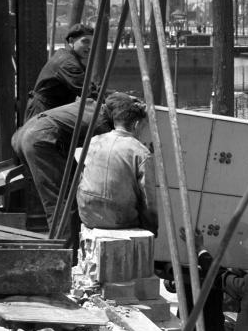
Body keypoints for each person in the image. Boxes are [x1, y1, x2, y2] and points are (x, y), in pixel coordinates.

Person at [11, 99, 113, 249]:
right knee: (62, 202)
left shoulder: (91, 106)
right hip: (41, 139)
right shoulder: (101, 123)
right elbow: (104, 165)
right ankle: (64, 257)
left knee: (72, 191)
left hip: (26, 135)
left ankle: (70, 250)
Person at [77, 92, 158, 236]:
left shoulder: (94, 141)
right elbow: (148, 199)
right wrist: (152, 228)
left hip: (86, 214)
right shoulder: (140, 151)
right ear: (137, 124)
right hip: (118, 219)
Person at [26, 24, 96, 121]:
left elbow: (90, 86)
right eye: (85, 41)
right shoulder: (68, 64)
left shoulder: (66, 56)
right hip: (44, 114)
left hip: (48, 111)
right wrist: (114, 100)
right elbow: (88, 92)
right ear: (71, 41)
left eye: (92, 43)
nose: (89, 47)